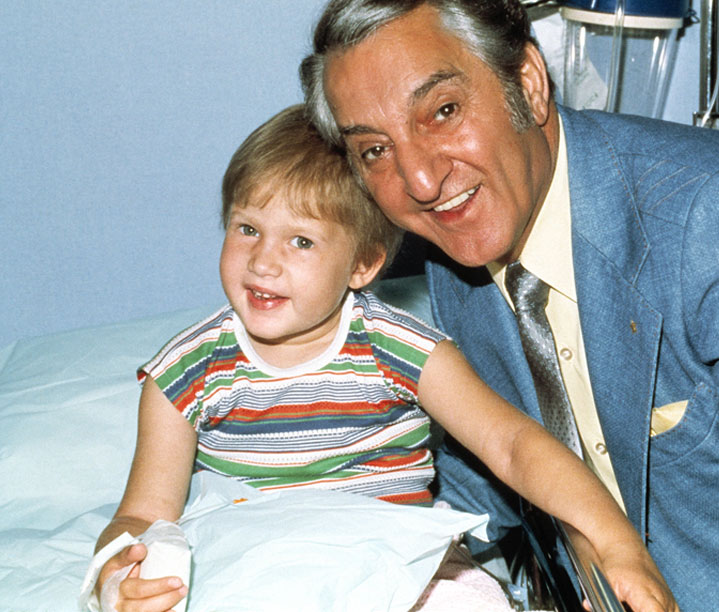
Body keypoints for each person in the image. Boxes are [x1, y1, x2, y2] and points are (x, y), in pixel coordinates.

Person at [300, 1, 719, 610]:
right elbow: (481, 474)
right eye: (375, 150)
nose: (418, 179)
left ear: (528, 83)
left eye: (442, 111)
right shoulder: (453, 255)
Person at [88, 104, 676, 612]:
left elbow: (513, 445)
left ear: (364, 265)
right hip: (260, 567)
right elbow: (141, 514)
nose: (263, 262)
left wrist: (616, 543)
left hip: (397, 567)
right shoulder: (185, 373)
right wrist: (119, 575)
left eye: (301, 241)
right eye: (247, 228)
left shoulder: (396, 347)